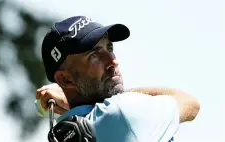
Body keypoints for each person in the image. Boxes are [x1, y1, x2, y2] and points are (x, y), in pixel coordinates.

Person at [36, 15, 200, 142]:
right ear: (66, 80)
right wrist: (125, 96)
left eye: (109, 47)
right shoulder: (124, 111)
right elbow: (190, 103)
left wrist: (70, 100)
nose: (113, 61)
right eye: (94, 54)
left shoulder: (61, 134)